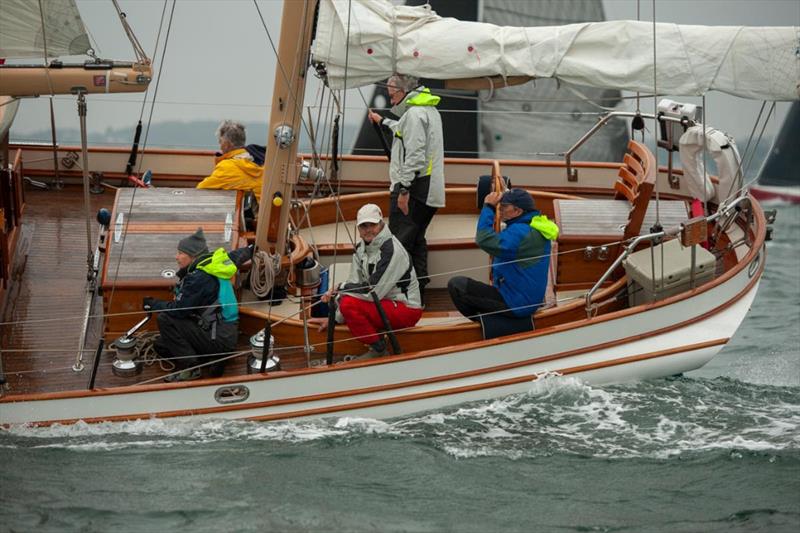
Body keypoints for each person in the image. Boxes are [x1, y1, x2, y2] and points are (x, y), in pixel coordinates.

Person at [309, 204, 423, 360]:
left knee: (349, 303)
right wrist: (335, 319)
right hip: (384, 303)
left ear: (381, 224)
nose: (368, 229)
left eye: (372, 225)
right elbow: (354, 284)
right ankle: (376, 341)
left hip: (407, 309)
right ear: (358, 228)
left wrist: (339, 288)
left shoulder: (392, 250)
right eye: (363, 226)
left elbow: (372, 291)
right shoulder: (360, 249)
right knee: (346, 300)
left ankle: (378, 349)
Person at [367, 74, 444, 299]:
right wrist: (382, 121)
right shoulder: (426, 110)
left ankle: (398, 295)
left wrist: (403, 190)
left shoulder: (415, 114)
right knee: (416, 240)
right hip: (428, 193)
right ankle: (419, 290)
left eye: (392, 96)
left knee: (398, 246)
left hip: (414, 192)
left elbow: (416, 157)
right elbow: (404, 130)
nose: (391, 102)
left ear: (404, 92)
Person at [143, 228, 253, 382]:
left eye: (181, 253)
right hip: (224, 334)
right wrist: (251, 250)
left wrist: (153, 304)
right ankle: (213, 360)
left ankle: (191, 369)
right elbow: (236, 256)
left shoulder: (198, 279)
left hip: (218, 339)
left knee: (165, 319)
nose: (177, 257)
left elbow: (179, 310)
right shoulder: (214, 263)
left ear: (193, 256)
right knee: (161, 345)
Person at [447, 188, 558, 323]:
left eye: (504, 207)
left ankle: (487, 323)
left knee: (457, 286)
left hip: (516, 303)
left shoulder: (521, 232)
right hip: (524, 296)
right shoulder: (535, 226)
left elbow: (483, 239)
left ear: (518, 211)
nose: (500, 210)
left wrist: (488, 207)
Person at [196, 120, 264, 201]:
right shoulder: (257, 159)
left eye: (220, 141)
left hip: (254, 213)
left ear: (227, 144)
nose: (219, 144)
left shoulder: (227, 167)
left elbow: (199, 190)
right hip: (263, 210)